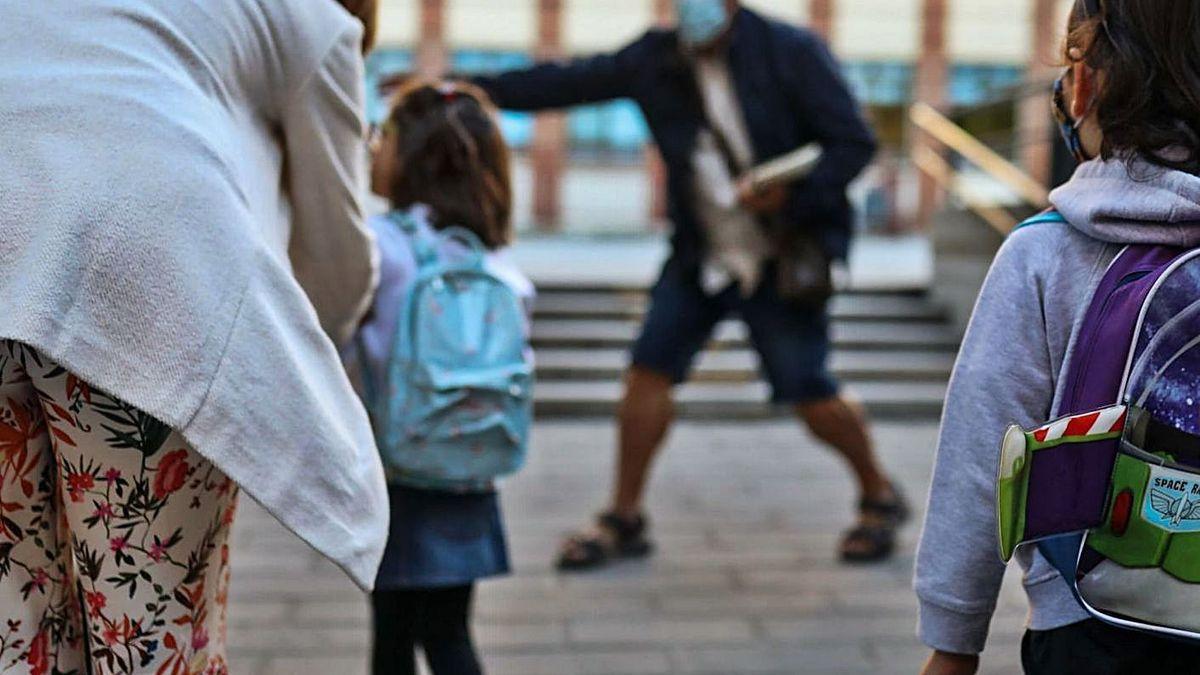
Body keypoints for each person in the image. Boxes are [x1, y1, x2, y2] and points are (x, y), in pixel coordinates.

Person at [0, 0, 388, 671]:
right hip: (144, 284)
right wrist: (300, 361)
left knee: (19, 626)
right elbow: (337, 255)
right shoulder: (317, 22)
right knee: (150, 634)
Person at [466, 0, 907, 568]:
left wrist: (793, 195)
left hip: (782, 252)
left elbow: (854, 144)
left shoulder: (791, 51)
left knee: (808, 388)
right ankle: (624, 517)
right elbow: (567, 82)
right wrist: (463, 88)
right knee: (648, 371)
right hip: (702, 255)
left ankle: (879, 495)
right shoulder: (656, 58)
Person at [915, 1, 1200, 673]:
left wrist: (952, 638)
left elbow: (982, 449)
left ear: (1088, 84)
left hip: (1091, 617)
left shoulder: (1047, 251)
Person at [352, 80, 532, 675]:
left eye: (385, 136)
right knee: (451, 629)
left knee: (395, 635)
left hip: (397, 469)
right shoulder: (493, 262)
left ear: (412, 155)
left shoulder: (382, 247)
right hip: (468, 469)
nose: (373, 146)